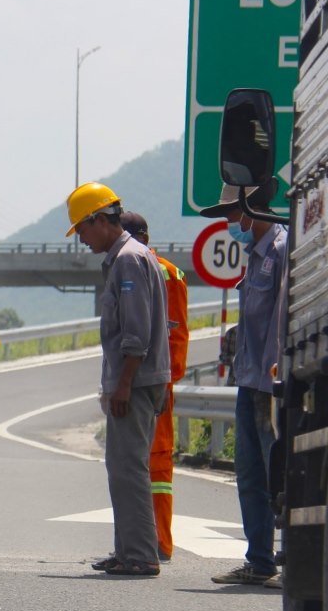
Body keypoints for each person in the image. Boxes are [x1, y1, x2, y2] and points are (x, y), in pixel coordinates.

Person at [66, 183, 171, 576]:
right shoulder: (125, 258)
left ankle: (141, 554)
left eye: (82, 229)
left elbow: (136, 333)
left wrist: (123, 384)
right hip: (135, 380)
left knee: (129, 468)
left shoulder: (128, 260)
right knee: (122, 468)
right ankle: (127, 550)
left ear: (99, 220)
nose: (81, 238)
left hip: (137, 382)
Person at [201, 183, 288, 587]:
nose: (229, 223)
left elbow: (281, 323)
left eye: (232, 214)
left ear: (251, 210)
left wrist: (274, 379)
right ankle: (259, 559)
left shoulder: (281, 250)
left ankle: (290, 551)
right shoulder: (254, 257)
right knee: (250, 475)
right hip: (248, 382)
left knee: (279, 476)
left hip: (271, 386)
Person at [120, 211, 189, 563]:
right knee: (139, 463)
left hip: (154, 382)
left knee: (155, 464)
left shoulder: (160, 271)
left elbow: (174, 333)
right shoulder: (144, 267)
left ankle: (158, 540)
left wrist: (166, 381)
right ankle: (143, 539)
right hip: (145, 379)